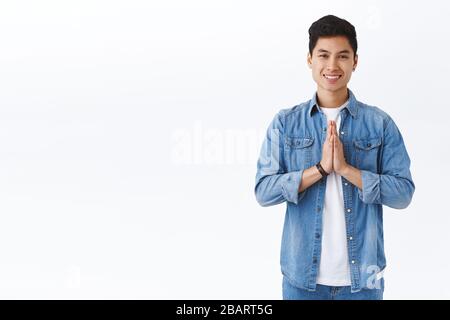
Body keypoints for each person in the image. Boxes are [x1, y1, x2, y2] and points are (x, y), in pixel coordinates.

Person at [254, 15, 415, 300]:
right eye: (323, 55)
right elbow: (263, 191)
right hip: (301, 280)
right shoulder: (285, 123)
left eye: (342, 56)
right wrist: (320, 169)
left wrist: (345, 169)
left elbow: (403, 194)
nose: (332, 66)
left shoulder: (380, 124)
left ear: (355, 61)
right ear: (309, 60)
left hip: (364, 282)